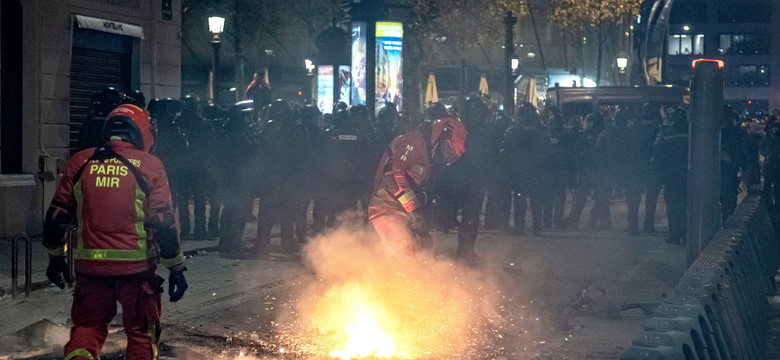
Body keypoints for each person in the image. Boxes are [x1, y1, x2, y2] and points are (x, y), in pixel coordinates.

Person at [43, 104, 187, 360]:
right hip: (137, 272)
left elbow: (56, 218)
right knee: (141, 333)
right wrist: (175, 267)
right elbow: (164, 222)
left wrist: (55, 258)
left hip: (90, 271)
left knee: (86, 330)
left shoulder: (81, 161)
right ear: (143, 132)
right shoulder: (150, 165)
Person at [368, 113, 467, 259]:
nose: (445, 155)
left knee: (415, 251)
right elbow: (392, 174)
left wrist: (422, 221)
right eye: (447, 149)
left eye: (450, 155)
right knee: (404, 254)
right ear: (442, 135)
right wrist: (414, 209)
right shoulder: (413, 141)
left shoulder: (428, 151)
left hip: (400, 211)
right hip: (386, 207)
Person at [502, 103, 549, 236]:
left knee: (520, 199)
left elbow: (505, 149)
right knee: (536, 200)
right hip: (536, 170)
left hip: (520, 171)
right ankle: (537, 228)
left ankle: (519, 227)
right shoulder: (541, 129)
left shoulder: (513, 130)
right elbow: (548, 149)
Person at [652, 106, 689, 244]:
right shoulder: (692, 134)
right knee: (686, 205)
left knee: (673, 206)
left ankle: (674, 234)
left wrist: (657, 177)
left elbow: (657, 156)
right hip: (687, 175)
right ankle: (685, 234)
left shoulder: (665, 134)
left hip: (671, 176)